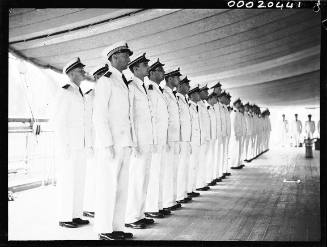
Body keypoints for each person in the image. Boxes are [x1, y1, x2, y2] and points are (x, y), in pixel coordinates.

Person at [93, 41, 134, 240]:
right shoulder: (106, 81)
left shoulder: (122, 80)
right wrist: (107, 143)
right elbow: (99, 116)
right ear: (114, 57)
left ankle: (117, 227)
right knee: (109, 187)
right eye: (125, 55)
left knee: (122, 188)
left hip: (124, 142)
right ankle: (104, 228)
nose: (128, 59)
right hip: (112, 144)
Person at [51, 57, 90, 228]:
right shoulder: (65, 92)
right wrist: (64, 146)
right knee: (68, 181)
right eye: (81, 70)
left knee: (79, 181)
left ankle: (75, 215)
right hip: (69, 146)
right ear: (72, 73)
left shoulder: (79, 92)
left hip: (80, 145)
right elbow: (59, 121)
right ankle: (65, 217)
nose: (83, 72)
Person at [125, 53, 157, 229]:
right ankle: (131, 217)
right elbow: (129, 116)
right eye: (145, 65)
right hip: (138, 141)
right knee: (136, 179)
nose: (147, 68)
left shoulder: (143, 87)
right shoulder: (131, 87)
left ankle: (139, 213)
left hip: (147, 139)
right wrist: (134, 142)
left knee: (144, 178)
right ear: (135, 68)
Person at [144, 59, 171, 218]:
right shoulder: (149, 88)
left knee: (159, 172)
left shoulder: (158, 89)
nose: (163, 73)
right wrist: (154, 139)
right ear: (152, 73)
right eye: (160, 70)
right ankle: (151, 207)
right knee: (154, 174)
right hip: (154, 139)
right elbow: (151, 117)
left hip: (161, 138)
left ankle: (158, 205)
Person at [83, 64, 110, 218]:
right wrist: (89, 144)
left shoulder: (105, 94)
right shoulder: (90, 96)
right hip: (94, 142)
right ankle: (89, 206)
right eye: (103, 76)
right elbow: (87, 122)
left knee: (102, 176)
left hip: (104, 141)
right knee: (93, 175)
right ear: (96, 78)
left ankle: (97, 205)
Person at [162, 68, 182, 211]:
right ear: (169, 79)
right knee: (168, 171)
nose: (178, 80)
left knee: (173, 170)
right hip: (168, 137)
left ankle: (172, 199)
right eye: (176, 77)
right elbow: (164, 118)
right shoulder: (164, 93)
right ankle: (167, 201)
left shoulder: (173, 95)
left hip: (175, 137)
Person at [175, 76, 193, 204]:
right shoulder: (176, 98)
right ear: (180, 86)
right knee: (180, 168)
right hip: (180, 139)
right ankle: (179, 195)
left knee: (185, 167)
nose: (189, 87)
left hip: (186, 138)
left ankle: (183, 193)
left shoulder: (184, 100)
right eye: (186, 85)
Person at [196, 84, 211, 191]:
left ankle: (201, 182)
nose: (207, 94)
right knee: (197, 162)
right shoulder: (196, 105)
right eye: (204, 91)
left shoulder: (202, 105)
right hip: (198, 138)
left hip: (204, 137)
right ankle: (198, 184)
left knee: (202, 161)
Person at [187, 85, 201, 198]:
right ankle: (188, 189)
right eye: (197, 93)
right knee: (191, 166)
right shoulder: (189, 106)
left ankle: (192, 188)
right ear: (191, 96)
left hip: (197, 140)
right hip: (191, 141)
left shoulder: (196, 107)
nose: (199, 95)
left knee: (195, 165)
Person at [207, 92, 218, 186]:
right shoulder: (207, 108)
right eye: (214, 98)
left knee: (212, 158)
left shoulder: (212, 108)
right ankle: (207, 179)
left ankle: (210, 177)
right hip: (208, 137)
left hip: (213, 136)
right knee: (208, 159)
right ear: (210, 98)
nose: (216, 100)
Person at [230, 98, 244, 169]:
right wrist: (234, 134)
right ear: (235, 104)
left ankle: (238, 163)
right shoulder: (234, 113)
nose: (240, 104)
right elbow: (233, 124)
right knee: (234, 149)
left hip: (239, 134)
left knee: (238, 149)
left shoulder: (238, 113)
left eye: (240, 103)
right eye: (238, 103)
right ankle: (234, 164)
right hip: (235, 134)